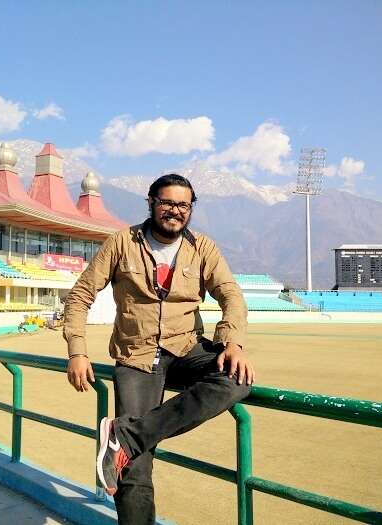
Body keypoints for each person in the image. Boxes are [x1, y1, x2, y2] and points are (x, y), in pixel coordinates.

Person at [63, 174, 254, 524]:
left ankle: (127, 436)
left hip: (187, 348)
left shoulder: (203, 248)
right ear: (151, 202)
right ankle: (129, 448)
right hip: (136, 356)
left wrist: (232, 342)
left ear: (190, 209)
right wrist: (77, 350)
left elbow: (231, 294)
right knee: (134, 469)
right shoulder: (121, 243)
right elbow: (80, 296)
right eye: (167, 202)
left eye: (183, 205)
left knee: (237, 379)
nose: (174, 211)